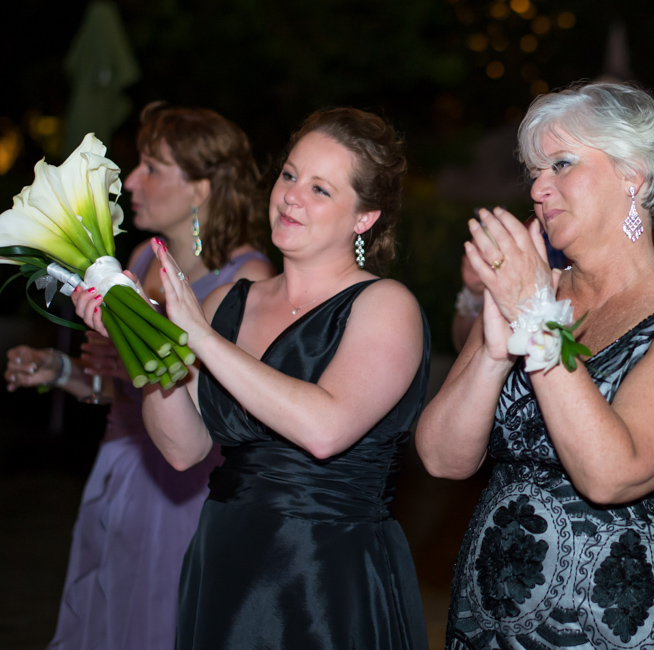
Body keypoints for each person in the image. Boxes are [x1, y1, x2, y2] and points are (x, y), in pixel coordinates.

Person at [74, 107, 431, 649]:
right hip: (223, 560)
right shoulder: (226, 304)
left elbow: (325, 429)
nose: (291, 196)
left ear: (364, 217)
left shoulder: (385, 305)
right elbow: (183, 449)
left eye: (320, 189)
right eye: (289, 175)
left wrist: (200, 338)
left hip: (327, 574)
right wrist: (140, 343)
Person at [416, 81, 654, 648]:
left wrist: (537, 320)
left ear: (632, 174)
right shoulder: (529, 292)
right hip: (483, 625)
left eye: (561, 164)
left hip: (610, 627)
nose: (539, 189)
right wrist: (495, 353)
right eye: (533, 172)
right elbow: (442, 458)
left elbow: (611, 473)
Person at [5, 102, 274, 650]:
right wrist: (61, 371)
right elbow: (122, 392)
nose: (131, 179)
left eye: (153, 166)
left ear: (200, 188)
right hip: (121, 469)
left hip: (187, 490)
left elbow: (229, 407)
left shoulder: (248, 277)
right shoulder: (135, 262)